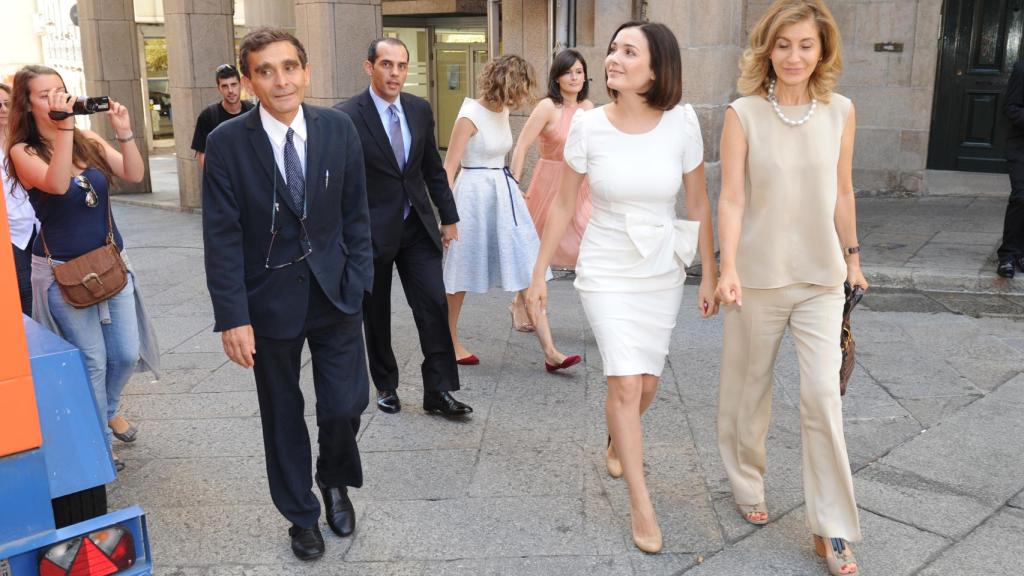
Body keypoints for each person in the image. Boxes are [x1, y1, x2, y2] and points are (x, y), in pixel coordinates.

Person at [527, 22, 718, 553]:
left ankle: (618, 431)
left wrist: (712, 272)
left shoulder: (681, 123)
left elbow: (698, 203)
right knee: (625, 384)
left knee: (646, 385)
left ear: (658, 69)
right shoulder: (590, 127)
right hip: (606, 263)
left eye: (628, 51)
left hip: (660, 264)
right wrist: (539, 272)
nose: (612, 58)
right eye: (612, 49)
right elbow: (564, 203)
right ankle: (641, 502)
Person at [202, 27, 373, 561]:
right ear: (249, 81)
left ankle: (334, 480)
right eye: (266, 71)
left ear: (306, 71)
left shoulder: (338, 128)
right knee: (281, 411)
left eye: (289, 67)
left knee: (346, 404)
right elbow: (222, 235)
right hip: (267, 300)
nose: (281, 80)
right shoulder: (227, 142)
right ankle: (301, 514)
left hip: (335, 291)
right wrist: (232, 316)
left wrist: (359, 278)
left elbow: (355, 213)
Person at [714, 1, 865, 574]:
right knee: (747, 389)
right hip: (756, 276)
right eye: (784, 45)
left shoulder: (842, 111)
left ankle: (832, 528)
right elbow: (733, 196)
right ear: (767, 49)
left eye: (806, 44)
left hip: (822, 277)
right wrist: (727, 268)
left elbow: (843, 192)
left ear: (822, 50)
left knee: (824, 399)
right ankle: (746, 479)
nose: (794, 56)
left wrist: (853, 258)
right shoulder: (743, 113)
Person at [5, 65, 159, 469]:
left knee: (125, 354)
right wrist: (65, 130)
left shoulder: (86, 139)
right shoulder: (23, 151)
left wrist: (124, 131)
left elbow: (133, 173)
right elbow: (56, 185)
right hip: (62, 273)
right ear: (28, 104)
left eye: (61, 90)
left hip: (110, 263)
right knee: (91, 359)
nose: (57, 99)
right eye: (45, 95)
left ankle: (105, 410)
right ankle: (98, 442)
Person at [335, 37, 472, 417]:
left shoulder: (418, 109)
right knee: (375, 313)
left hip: (417, 227)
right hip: (370, 234)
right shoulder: (346, 116)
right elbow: (340, 183)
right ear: (369, 67)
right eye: (386, 64)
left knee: (432, 304)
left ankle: (439, 391)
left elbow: (431, 167)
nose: (395, 73)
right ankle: (386, 385)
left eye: (401, 66)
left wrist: (449, 217)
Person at [442, 54, 581, 372]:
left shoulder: (501, 110)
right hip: (472, 199)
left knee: (526, 264)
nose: (521, 98)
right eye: (519, 89)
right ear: (505, 85)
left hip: (502, 195)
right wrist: (448, 218)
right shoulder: (469, 114)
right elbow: (448, 168)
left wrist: (512, 186)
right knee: (459, 275)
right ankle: (448, 342)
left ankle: (550, 351)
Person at [508, 49, 594, 332]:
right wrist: (514, 184)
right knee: (534, 247)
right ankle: (520, 302)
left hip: (581, 185)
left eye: (579, 72)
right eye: (568, 72)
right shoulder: (546, 107)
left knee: (590, 245)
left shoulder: (589, 109)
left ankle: (603, 311)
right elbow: (522, 145)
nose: (574, 77)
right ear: (557, 77)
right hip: (548, 183)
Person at [1, 81, 38, 315]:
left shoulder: (28, 140)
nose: (3, 109)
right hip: (12, 232)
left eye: (7, 103)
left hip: (41, 224)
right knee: (25, 290)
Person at [191, 63, 255, 171]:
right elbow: (202, 154)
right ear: (219, 89)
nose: (230, 90)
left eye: (234, 84)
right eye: (225, 86)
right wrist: (214, 181)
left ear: (241, 85)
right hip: (223, 178)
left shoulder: (253, 112)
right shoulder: (208, 116)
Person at [998, 58, 1024, 278]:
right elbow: (1011, 107)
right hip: (1021, 147)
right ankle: (1007, 255)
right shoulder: (1022, 66)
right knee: (1021, 196)